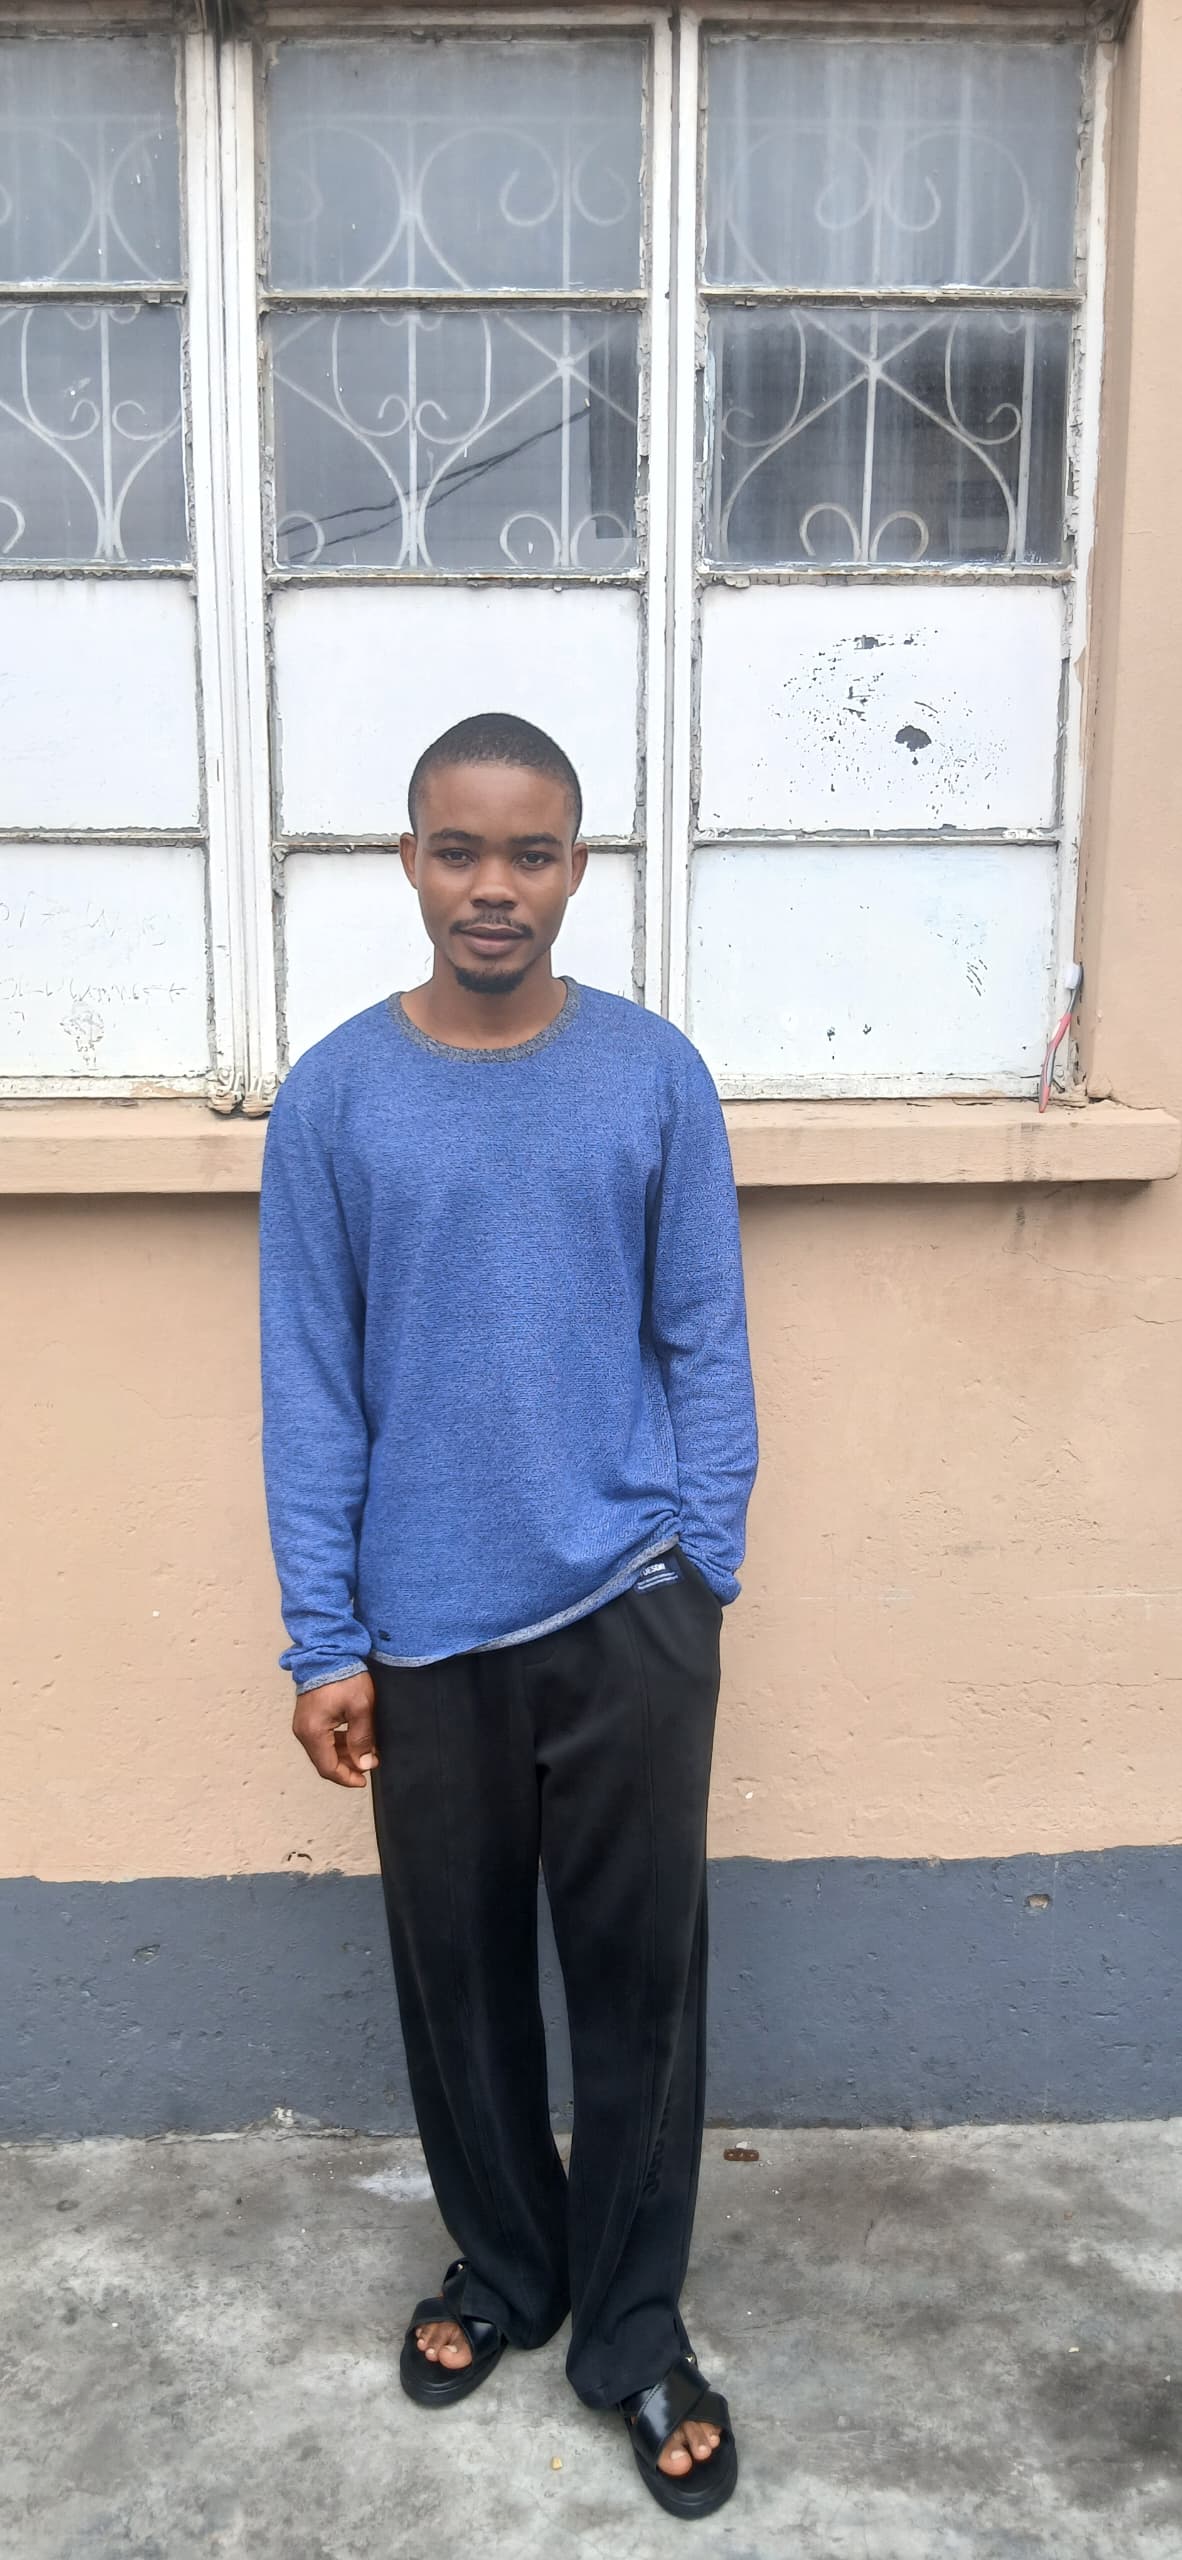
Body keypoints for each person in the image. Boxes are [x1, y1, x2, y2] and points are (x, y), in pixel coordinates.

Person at [259, 710, 758, 2519]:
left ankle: (629, 2325)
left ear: (574, 868)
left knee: (639, 1994)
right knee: (457, 1986)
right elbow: (310, 1381)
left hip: (629, 1608)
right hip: (425, 1630)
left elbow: (703, 1335)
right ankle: (507, 2264)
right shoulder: (334, 1096)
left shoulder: (650, 1075)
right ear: (408, 860)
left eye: (529, 853)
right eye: (459, 850)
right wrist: (324, 1635)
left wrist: (701, 1564)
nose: (494, 886)